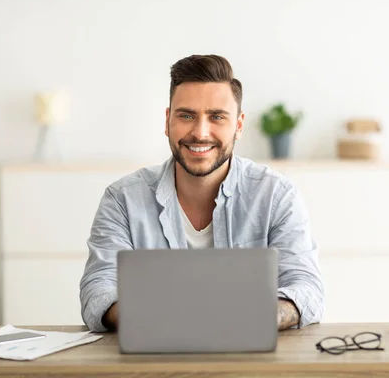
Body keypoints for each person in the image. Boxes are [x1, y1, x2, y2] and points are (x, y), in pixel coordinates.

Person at [80, 54, 324, 332]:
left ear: (239, 126)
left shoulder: (277, 195)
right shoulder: (122, 199)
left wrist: (254, 317)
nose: (200, 132)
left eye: (217, 117)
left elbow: (307, 290)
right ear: (167, 120)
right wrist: (164, 320)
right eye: (186, 115)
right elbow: (97, 290)